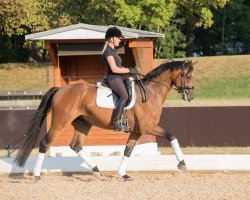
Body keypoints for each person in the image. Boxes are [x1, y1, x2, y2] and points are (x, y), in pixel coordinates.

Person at [102, 27, 137, 131]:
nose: (120, 40)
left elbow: (119, 67)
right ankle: (116, 121)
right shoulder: (108, 52)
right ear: (112, 38)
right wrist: (128, 71)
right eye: (118, 38)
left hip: (119, 78)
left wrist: (129, 69)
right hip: (113, 78)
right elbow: (114, 69)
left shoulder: (113, 51)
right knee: (124, 96)